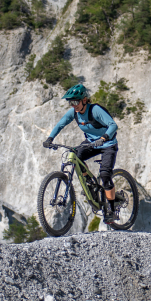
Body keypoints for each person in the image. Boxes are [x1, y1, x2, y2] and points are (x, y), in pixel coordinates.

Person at [42, 83, 120, 224]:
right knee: (75, 156)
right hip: (91, 143)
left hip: (108, 144)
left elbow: (113, 125)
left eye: (76, 102)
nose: (73, 105)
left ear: (84, 100)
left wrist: (104, 138)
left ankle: (112, 210)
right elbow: (61, 124)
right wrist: (50, 138)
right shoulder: (74, 113)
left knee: (105, 174)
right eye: (71, 102)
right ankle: (90, 183)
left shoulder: (95, 110)